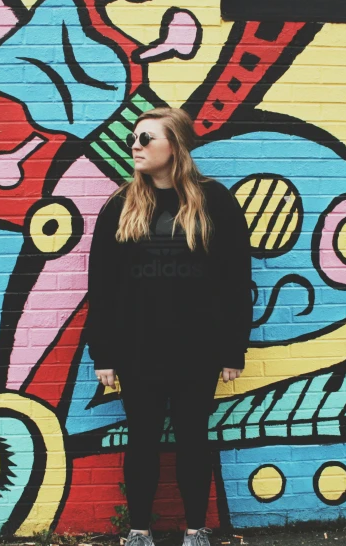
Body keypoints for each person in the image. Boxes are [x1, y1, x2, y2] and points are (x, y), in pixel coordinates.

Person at [86, 107, 252, 546]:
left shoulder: (215, 201)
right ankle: (138, 532)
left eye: (146, 139)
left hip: (197, 349)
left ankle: (196, 531)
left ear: (175, 145)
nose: (136, 147)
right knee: (142, 442)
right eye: (133, 140)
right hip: (138, 350)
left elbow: (237, 280)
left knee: (193, 440)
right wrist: (102, 353)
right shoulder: (120, 205)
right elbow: (101, 286)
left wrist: (234, 349)